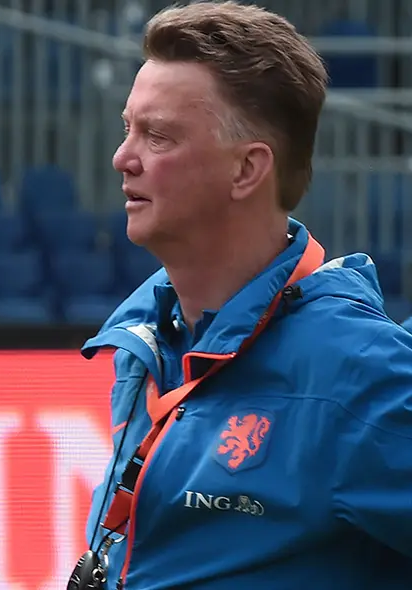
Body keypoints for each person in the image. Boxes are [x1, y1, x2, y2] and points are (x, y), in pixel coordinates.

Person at [74, 2, 412, 589]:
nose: (122, 158)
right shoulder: (149, 344)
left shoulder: (357, 376)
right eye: (128, 129)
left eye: (157, 136)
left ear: (246, 170)